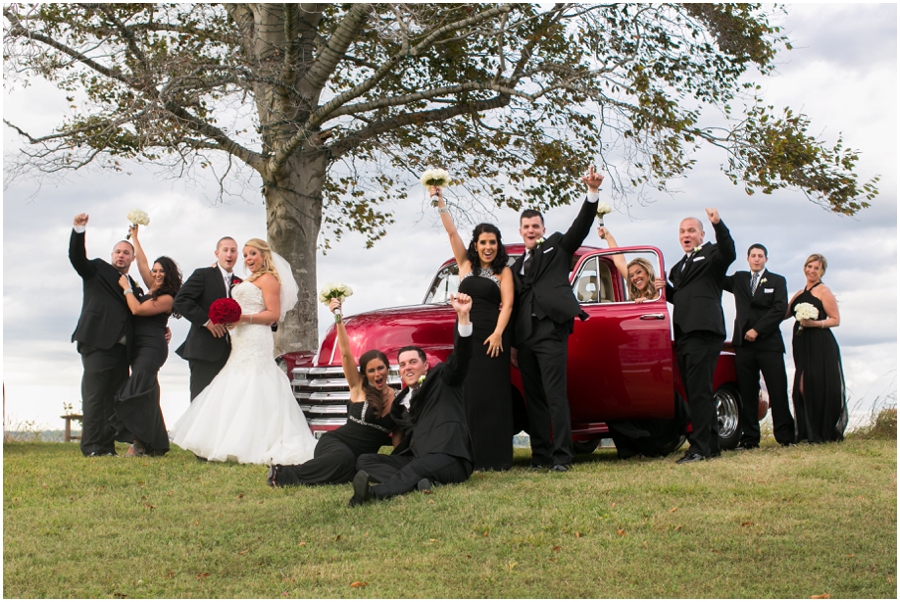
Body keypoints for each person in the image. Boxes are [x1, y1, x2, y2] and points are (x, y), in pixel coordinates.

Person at [170, 238, 317, 464]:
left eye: (252, 254)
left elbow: (273, 315)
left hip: (255, 338)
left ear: (264, 256)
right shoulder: (244, 280)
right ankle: (223, 442)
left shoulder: (268, 279)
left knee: (255, 382)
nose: (248, 259)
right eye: (246, 255)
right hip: (239, 340)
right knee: (234, 384)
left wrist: (242, 318)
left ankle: (257, 441)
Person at [511, 167, 603, 472]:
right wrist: (513, 342)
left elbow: (581, 227)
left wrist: (592, 194)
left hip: (551, 331)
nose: (531, 230)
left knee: (555, 396)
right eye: (526, 226)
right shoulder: (515, 266)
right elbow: (511, 304)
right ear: (521, 230)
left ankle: (563, 457)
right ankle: (541, 456)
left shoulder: (558, 246)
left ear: (543, 228)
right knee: (534, 398)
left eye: (535, 225)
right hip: (525, 337)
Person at [350, 292, 475, 506]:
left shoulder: (444, 378)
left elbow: (461, 357)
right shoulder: (399, 405)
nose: (407, 367)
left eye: (413, 362)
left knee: (416, 468)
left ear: (426, 365)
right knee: (365, 460)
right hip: (419, 458)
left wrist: (463, 317)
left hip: (450, 458)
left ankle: (371, 496)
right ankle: (423, 482)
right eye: (402, 364)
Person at [267, 297, 397, 486]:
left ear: (387, 368)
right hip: (335, 444)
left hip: (358, 460)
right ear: (365, 374)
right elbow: (345, 354)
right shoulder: (358, 387)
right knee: (344, 460)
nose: (377, 374)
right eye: (371, 370)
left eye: (380, 368)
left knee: (349, 471)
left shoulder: (396, 399)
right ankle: (283, 474)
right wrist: (339, 319)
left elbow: (398, 443)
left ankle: (322, 473)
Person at [433, 187, 514, 471]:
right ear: (476, 245)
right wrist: (440, 203)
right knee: (469, 392)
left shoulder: (503, 272)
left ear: (498, 245)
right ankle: (469, 455)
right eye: (483, 242)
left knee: (493, 394)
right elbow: (452, 234)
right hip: (466, 333)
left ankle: (497, 457)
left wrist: (498, 333)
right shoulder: (464, 264)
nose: (488, 247)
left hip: (493, 337)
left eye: (492, 242)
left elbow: (508, 305)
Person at [665, 209, 736, 464]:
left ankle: (699, 447)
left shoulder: (712, 255)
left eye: (691, 230)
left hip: (704, 332)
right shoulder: (677, 268)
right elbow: (681, 298)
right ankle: (712, 445)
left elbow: (729, 251)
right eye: (683, 231)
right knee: (697, 390)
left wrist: (718, 223)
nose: (686, 234)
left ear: (702, 234)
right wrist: (664, 290)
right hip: (684, 333)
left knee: (699, 392)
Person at [69, 213, 141, 457]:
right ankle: (91, 447)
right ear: (112, 255)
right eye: (117, 251)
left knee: (113, 400)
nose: (121, 255)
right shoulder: (97, 270)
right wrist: (79, 230)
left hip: (122, 351)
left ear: (132, 258)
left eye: (126, 252)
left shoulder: (134, 286)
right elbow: (77, 258)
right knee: (94, 398)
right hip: (97, 344)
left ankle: (106, 447)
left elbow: (139, 312)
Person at [113, 225, 182, 456]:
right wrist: (135, 237)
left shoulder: (167, 297)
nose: (156, 274)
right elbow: (142, 263)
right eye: (155, 270)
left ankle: (137, 441)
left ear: (169, 274)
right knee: (148, 394)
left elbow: (138, 310)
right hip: (139, 346)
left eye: (162, 271)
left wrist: (126, 288)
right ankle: (155, 444)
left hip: (152, 348)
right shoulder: (152, 287)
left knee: (135, 391)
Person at [724, 244, 795, 449]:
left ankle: (786, 437)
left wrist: (757, 329)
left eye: (760, 256)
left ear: (766, 259)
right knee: (747, 392)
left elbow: (780, 308)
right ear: (747, 259)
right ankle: (749, 439)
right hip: (744, 346)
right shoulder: (739, 279)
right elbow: (716, 277)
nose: (756, 259)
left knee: (777, 389)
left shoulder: (777, 281)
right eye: (753, 256)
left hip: (769, 344)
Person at [786, 254, 847, 443]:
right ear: (805, 267)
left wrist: (814, 324)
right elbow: (783, 314)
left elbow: (835, 320)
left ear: (822, 272)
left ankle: (820, 431)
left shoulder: (823, 291)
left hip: (820, 343)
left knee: (813, 386)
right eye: (809, 266)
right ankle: (805, 431)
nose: (812, 271)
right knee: (801, 386)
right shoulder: (799, 293)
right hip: (802, 344)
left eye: (816, 268)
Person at [174, 237, 241, 400]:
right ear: (217, 253)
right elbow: (180, 301)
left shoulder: (240, 283)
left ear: (237, 255)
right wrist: (207, 321)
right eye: (225, 250)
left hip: (230, 354)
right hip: (203, 351)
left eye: (233, 250)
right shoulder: (203, 275)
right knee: (200, 402)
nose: (229, 254)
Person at [597, 226, 666, 302]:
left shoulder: (658, 291)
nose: (635, 277)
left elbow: (658, 307)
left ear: (648, 272)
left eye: (639, 272)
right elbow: (619, 262)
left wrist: (647, 301)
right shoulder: (634, 294)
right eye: (631, 276)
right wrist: (608, 236)